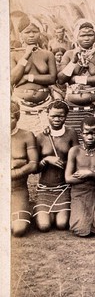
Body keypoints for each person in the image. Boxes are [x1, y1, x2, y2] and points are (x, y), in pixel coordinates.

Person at [57, 19, 95, 145]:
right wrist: (74, 62)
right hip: (72, 107)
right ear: (76, 37)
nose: (86, 38)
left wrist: (76, 79)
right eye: (83, 35)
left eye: (90, 35)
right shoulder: (69, 55)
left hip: (94, 107)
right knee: (73, 142)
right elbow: (61, 79)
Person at [34, 100, 79, 232]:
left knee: (61, 224)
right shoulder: (40, 137)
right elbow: (35, 169)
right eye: (53, 116)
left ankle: (56, 214)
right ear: (47, 115)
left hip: (64, 188)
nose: (57, 119)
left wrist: (65, 163)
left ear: (66, 116)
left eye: (61, 116)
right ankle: (47, 213)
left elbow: (78, 159)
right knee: (44, 226)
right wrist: (47, 159)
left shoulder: (71, 133)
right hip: (45, 188)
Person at [10, 15, 58, 134]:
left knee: (45, 141)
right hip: (22, 108)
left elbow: (52, 78)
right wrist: (26, 54)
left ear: (40, 33)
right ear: (21, 34)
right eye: (27, 32)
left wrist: (27, 77)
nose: (31, 35)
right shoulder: (14, 54)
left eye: (35, 31)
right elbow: (12, 79)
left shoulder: (47, 54)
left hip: (44, 106)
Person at [65, 117, 95, 237]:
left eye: (94, 133)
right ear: (81, 134)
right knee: (80, 230)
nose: (90, 137)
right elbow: (68, 178)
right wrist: (92, 174)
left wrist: (91, 174)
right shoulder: (75, 151)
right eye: (86, 133)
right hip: (79, 193)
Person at [10, 101, 39, 237]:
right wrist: (16, 162)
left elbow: (33, 165)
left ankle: (26, 209)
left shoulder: (27, 135)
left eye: (11, 117)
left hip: (18, 189)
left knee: (18, 229)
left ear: (17, 117)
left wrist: (13, 172)